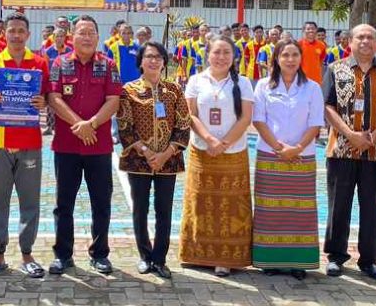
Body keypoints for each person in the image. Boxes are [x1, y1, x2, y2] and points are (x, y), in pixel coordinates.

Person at [47, 15, 122, 275]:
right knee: (63, 203)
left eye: (91, 32)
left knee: (101, 202)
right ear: (72, 37)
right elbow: (54, 98)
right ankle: (63, 255)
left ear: (98, 37)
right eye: (82, 32)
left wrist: (91, 124)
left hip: (98, 146)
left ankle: (100, 254)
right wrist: (80, 125)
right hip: (67, 146)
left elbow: (114, 100)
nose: (87, 37)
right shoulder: (59, 63)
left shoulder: (109, 65)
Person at [321, 23, 376, 281]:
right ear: (350, 42)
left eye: (370, 37)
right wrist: (350, 135)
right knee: (338, 206)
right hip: (341, 151)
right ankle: (335, 256)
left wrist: (374, 137)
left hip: (374, 155)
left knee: (371, 207)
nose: (365, 41)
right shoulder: (335, 69)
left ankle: (369, 260)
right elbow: (328, 107)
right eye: (360, 37)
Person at [0, 15, 51, 278]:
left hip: (30, 140)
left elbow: (46, 97)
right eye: (12, 31)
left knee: (29, 200)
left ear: (28, 35)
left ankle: (27, 254)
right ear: (4, 34)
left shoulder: (40, 63)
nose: (16, 35)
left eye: (21, 31)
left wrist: (43, 103)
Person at [251, 38, 325, 278]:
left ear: (301, 58)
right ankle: (270, 260)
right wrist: (279, 148)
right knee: (269, 210)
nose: (290, 60)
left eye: (294, 55)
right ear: (276, 59)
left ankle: (298, 263)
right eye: (285, 55)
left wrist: (297, 148)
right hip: (270, 156)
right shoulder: (263, 85)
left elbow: (316, 123)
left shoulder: (312, 87)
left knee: (299, 211)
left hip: (302, 157)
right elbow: (258, 120)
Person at [181, 37, 255, 276]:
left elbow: (245, 118)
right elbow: (190, 114)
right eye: (216, 52)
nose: (221, 57)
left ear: (233, 56)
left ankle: (226, 258)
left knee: (230, 206)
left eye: (226, 52)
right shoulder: (196, 80)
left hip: (233, 153)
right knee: (200, 201)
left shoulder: (242, 82)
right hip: (201, 151)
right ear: (208, 55)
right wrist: (210, 140)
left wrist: (223, 143)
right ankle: (198, 255)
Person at [117, 41, 190, 278]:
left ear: (164, 62)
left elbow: (183, 126)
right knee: (140, 209)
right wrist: (147, 153)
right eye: (149, 56)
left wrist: (165, 154)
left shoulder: (174, 91)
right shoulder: (128, 90)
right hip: (139, 160)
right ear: (141, 61)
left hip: (168, 161)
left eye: (158, 57)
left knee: (164, 210)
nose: (154, 61)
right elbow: (125, 126)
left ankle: (160, 258)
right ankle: (144, 255)